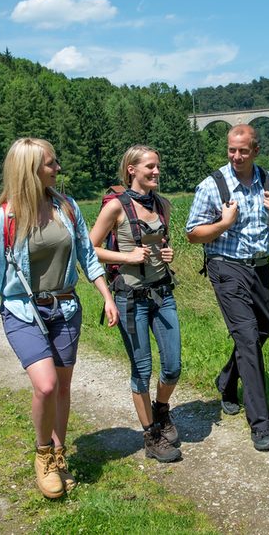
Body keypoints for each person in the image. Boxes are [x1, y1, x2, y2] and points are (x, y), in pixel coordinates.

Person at [0, 137, 118, 499]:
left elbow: (88, 255)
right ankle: (43, 455)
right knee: (46, 385)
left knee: (64, 387)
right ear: (31, 170)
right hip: (23, 311)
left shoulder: (67, 208)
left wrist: (106, 296)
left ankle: (59, 453)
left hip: (66, 308)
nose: (58, 169)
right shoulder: (4, 219)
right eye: (51, 164)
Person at [185, 124, 269, 451]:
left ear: (256, 151)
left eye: (243, 150)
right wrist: (224, 224)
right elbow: (192, 233)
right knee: (246, 336)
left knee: (262, 332)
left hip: (260, 266)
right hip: (226, 267)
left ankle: (227, 382)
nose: (236, 156)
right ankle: (261, 425)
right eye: (232, 149)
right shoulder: (213, 186)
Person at [88, 145, 182, 463]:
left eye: (158, 166)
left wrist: (168, 254)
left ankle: (161, 409)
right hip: (130, 298)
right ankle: (151, 435)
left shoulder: (163, 205)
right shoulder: (116, 207)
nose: (156, 171)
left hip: (163, 294)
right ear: (132, 170)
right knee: (142, 370)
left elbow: (163, 245)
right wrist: (126, 256)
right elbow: (90, 249)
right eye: (150, 167)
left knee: (172, 366)